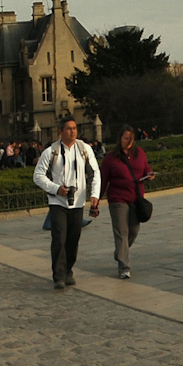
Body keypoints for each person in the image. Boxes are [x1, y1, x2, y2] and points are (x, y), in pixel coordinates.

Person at [33, 118, 101, 290]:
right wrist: (56, 189)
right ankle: (59, 274)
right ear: (61, 131)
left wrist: (94, 195)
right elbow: (38, 176)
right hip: (58, 202)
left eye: (75, 128)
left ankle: (69, 269)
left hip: (77, 202)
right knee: (59, 238)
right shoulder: (51, 151)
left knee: (73, 239)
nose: (73, 131)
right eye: (69, 129)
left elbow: (95, 172)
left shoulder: (85, 149)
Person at [100, 125, 153, 279]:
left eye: (131, 138)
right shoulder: (111, 158)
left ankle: (120, 252)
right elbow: (103, 180)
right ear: (120, 139)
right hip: (118, 199)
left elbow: (146, 169)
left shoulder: (140, 153)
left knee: (133, 230)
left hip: (136, 199)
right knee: (121, 232)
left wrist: (149, 175)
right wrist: (96, 200)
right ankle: (124, 267)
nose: (128, 142)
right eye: (125, 138)